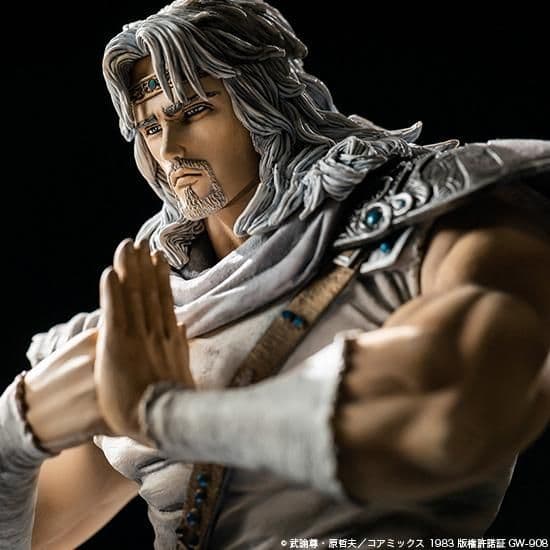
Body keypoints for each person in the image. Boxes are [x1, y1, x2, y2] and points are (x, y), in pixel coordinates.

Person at [1, 0, 549, 548]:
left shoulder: (431, 218)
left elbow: (455, 410)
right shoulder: (145, 319)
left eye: (194, 111)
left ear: (261, 102)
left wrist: (167, 416)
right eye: (150, 126)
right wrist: (13, 435)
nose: (169, 149)